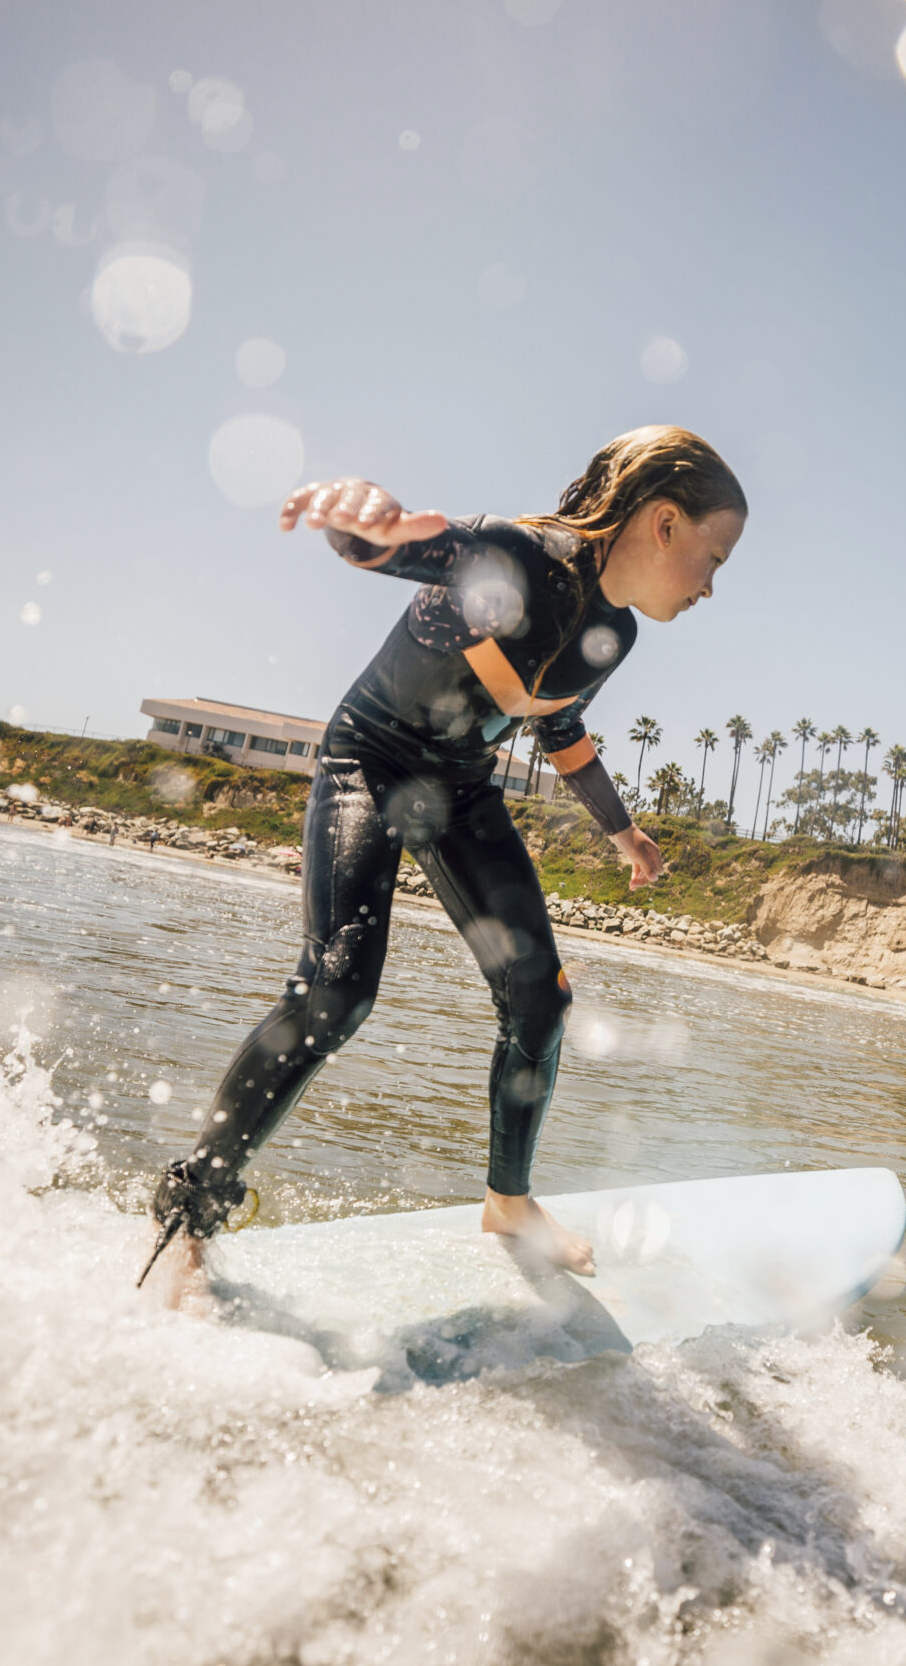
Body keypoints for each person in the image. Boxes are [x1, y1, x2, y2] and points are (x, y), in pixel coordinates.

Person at [139, 426, 747, 1307]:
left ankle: (509, 1204)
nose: (712, 585)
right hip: (372, 763)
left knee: (541, 997)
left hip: (461, 786)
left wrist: (622, 831)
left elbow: (559, 727)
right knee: (335, 992)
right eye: (713, 556)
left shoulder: (614, 630)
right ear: (662, 523)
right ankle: (189, 1213)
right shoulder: (520, 557)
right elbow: (399, 549)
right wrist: (367, 525)